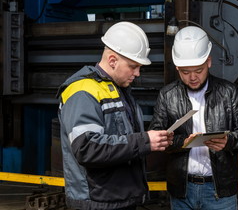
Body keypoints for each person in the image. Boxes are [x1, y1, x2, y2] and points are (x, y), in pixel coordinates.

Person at [57, 21, 173, 210]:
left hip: (119, 199)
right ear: (112, 60)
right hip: (96, 203)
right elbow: (87, 148)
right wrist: (144, 141)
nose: (137, 73)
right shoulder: (82, 92)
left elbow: (122, 140)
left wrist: (152, 142)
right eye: (133, 66)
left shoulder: (118, 90)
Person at [148, 26, 238, 210]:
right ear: (177, 68)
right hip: (182, 189)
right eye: (185, 72)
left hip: (219, 190)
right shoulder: (167, 95)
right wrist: (182, 142)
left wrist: (228, 141)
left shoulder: (229, 93)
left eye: (198, 70)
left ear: (209, 62)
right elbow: (156, 137)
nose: (192, 77)